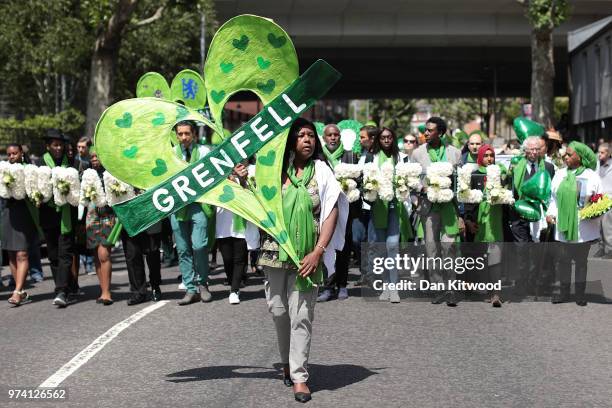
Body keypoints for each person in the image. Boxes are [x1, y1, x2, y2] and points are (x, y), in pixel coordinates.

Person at [258, 118, 346, 403]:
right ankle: (286, 360)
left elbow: (332, 210)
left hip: (308, 254)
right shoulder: (273, 172)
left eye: (311, 135)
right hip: (275, 252)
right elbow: (256, 201)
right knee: (279, 310)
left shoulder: (321, 170)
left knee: (302, 315)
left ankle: (299, 376)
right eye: (300, 135)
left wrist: (318, 250)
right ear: (290, 142)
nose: (307, 139)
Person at [411, 117, 463, 306]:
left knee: (449, 247)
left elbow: (461, 183)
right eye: (425, 130)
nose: (425, 133)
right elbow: (411, 179)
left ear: (440, 133)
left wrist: (461, 214)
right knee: (431, 250)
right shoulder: (417, 154)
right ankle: (438, 288)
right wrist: (421, 189)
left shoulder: (455, 153)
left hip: (450, 207)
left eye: (430, 130)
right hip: (428, 207)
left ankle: (451, 289)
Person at [362, 127, 414, 303]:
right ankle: (385, 285)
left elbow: (409, 180)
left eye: (389, 137)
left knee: (393, 246)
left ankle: (394, 287)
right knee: (382, 248)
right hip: (378, 208)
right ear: (379, 139)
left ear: (393, 139)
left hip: (396, 208)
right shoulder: (371, 157)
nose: (386, 140)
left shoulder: (401, 157)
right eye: (383, 137)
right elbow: (364, 180)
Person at [546, 142, 601, 306]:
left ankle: (579, 295)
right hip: (562, 224)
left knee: (581, 262)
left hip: (582, 226)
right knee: (563, 261)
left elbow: (598, 200)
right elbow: (553, 198)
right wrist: (550, 213)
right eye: (566, 154)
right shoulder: (560, 174)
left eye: (570, 155)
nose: (565, 157)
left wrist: (594, 211)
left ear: (580, 157)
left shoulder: (592, 176)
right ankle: (563, 293)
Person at [170, 121, 213, 305]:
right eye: (180, 134)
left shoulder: (204, 152)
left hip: (199, 204)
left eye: (187, 133)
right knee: (183, 249)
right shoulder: (171, 154)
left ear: (194, 134)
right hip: (178, 207)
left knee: (199, 245)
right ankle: (190, 288)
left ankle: (203, 284)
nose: (183, 137)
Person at [318, 124, 360, 302]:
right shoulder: (318, 157)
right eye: (330, 135)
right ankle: (328, 286)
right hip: (324, 209)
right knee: (326, 246)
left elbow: (360, 178)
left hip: (347, 209)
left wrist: (351, 186)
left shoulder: (350, 156)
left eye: (336, 135)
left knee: (344, 247)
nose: (333, 138)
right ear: (324, 137)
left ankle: (342, 285)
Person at [37, 129, 79, 307]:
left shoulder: (69, 162)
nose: (58, 148)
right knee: (53, 255)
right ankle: (67, 285)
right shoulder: (41, 164)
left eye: (60, 144)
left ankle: (61, 290)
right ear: (48, 146)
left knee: (65, 253)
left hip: (66, 215)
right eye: (55, 145)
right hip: (47, 214)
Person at [508, 136, 555, 295]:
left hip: (539, 216)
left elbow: (551, 192)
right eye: (531, 149)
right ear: (525, 150)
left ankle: (535, 283)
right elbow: (509, 187)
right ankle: (521, 283)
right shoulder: (515, 165)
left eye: (537, 149)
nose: (534, 152)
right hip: (518, 215)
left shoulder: (548, 167)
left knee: (536, 250)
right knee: (522, 249)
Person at [463, 145, 507, 307]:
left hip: (495, 222)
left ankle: (496, 294)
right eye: (486, 155)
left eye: (492, 155)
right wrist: (467, 220)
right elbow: (467, 199)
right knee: (480, 259)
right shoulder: (474, 175)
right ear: (480, 157)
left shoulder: (500, 174)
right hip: (478, 223)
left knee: (495, 258)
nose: (489, 158)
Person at [2, 144, 39, 306]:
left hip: (25, 213)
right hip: (7, 213)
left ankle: (17, 291)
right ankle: (21, 290)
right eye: (9, 154)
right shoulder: (3, 170)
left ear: (21, 153)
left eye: (14, 153)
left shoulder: (29, 169)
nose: (11, 157)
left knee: (21, 254)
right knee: (11, 254)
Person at [85, 148, 115, 305]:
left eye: (98, 156)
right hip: (91, 216)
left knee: (104, 254)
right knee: (97, 256)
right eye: (92, 157)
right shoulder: (87, 174)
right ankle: (102, 289)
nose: (95, 159)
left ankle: (107, 292)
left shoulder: (110, 173)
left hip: (108, 216)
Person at [216, 163, 249, 305]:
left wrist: (242, 178)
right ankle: (232, 283)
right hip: (222, 227)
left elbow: (247, 192)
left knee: (239, 259)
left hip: (240, 226)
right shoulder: (216, 179)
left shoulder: (242, 179)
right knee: (227, 259)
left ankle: (234, 290)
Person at [353, 126, 378, 287]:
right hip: (359, 204)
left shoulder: (381, 157)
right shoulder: (359, 156)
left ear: (372, 138)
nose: (360, 140)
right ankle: (364, 271)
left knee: (373, 241)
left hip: (376, 205)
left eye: (363, 137)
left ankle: (370, 275)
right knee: (357, 239)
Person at [122, 224, 163, 305]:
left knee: (152, 253)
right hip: (128, 219)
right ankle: (138, 292)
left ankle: (155, 286)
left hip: (148, 219)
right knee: (132, 255)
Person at [596, 143, 612, 258]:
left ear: (609, 153)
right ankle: (601, 247)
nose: (599, 154)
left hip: (610, 199)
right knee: (599, 225)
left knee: (608, 226)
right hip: (598, 199)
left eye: (602, 152)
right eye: (599, 152)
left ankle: (610, 249)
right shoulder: (596, 165)